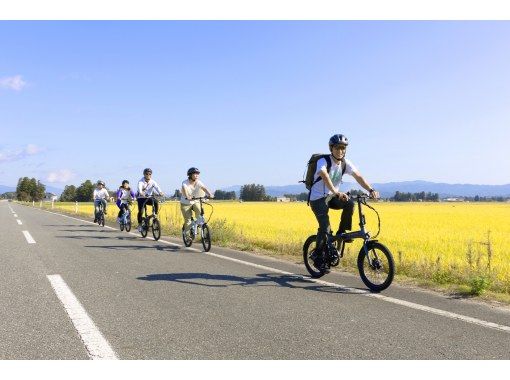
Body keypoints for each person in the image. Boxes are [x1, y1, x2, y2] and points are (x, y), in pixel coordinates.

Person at [309, 134, 380, 268]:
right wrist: (336, 192)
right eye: (337, 148)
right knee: (325, 229)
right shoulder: (323, 161)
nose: (340, 151)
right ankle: (317, 254)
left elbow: (358, 176)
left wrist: (371, 190)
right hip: (318, 199)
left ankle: (341, 233)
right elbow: (324, 175)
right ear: (331, 148)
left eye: (343, 148)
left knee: (350, 203)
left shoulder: (345, 163)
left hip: (332, 196)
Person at [180, 167, 214, 235]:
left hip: (195, 201)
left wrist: (210, 194)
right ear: (190, 175)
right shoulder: (185, 183)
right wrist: (188, 197)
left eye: (197, 174)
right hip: (185, 202)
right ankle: (187, 235)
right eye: (195, 174)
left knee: (200, 213)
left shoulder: (198, 182)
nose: (197, 175)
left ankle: (201, 227)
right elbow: (185, 190)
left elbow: (204, 188)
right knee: (188, 220)